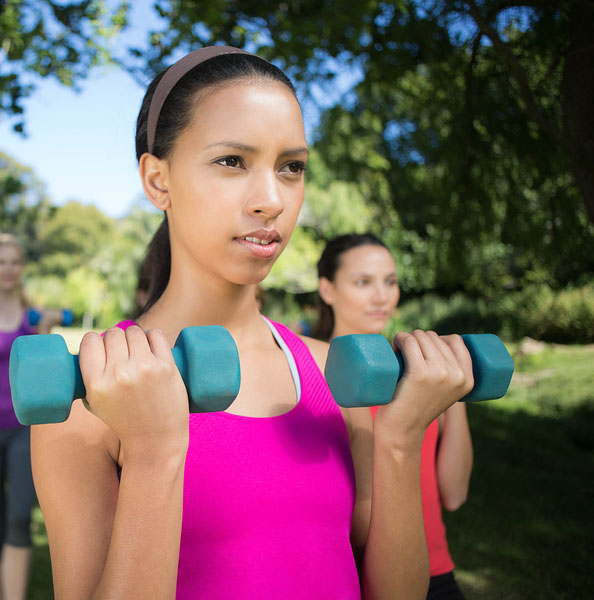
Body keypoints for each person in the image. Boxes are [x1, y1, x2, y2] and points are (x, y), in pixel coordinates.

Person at [30, 46, 475, 600]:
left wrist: (402, 442)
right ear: (158, 180)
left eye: (291, 167)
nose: (271, 200)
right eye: (232, 161)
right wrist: (153, 453)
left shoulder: (334, 372)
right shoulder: (88, 401)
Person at [315, 233, 474, 599]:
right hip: (353, 577)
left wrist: (455, 397)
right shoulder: (310, 377)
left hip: (434, 572)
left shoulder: (420, 374)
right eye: (363, 282)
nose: (382, 296)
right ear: (327, 289)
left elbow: (454, 494)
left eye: (390, 281)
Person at [0, 233, 65, 600]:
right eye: (1, 262)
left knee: (18, 519)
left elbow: (44, 371)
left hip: (23, 429)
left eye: (13, 262)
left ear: (21, 269)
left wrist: (45, 328)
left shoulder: (33, 315)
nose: (7, 269)